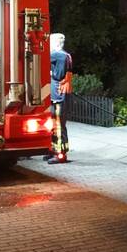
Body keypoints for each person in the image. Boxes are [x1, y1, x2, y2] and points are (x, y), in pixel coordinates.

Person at [45, 33, 73, 163]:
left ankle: (60, 154)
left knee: (58, 125)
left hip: (58, 95)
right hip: (62, 95)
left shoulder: (57, 55)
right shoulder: (66, 55)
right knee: (59, 125)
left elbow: (57, 75)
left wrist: (49, 72)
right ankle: (55, 150)